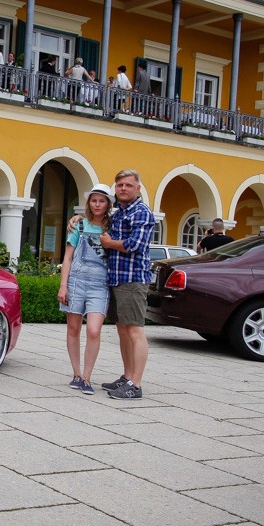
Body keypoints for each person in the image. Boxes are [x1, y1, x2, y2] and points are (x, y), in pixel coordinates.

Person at [99, 169, 156, 400]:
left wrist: (110, 243)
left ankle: (136, 384)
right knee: (123, 329)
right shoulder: (119, 212)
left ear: (138, 188)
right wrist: (77, 220)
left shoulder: (141, 212)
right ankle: (127, 376)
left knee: (134, 330)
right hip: (117, 279)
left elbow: (135, 245)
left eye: (128, 185)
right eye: (120, 185)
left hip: (133, 279)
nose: (123, 189)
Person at [59, 184, 114, 396]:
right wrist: (63, 285)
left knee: (93, 330)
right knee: (73, 329)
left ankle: (87, 377)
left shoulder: (112, 227)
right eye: (94, 200)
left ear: (108, 204)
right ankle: (76, 374)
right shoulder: (79, 226)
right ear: (89, 203)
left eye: (102, 201)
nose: (97, 204)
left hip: (100, 284)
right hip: (76, 281)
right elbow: (67, 258)